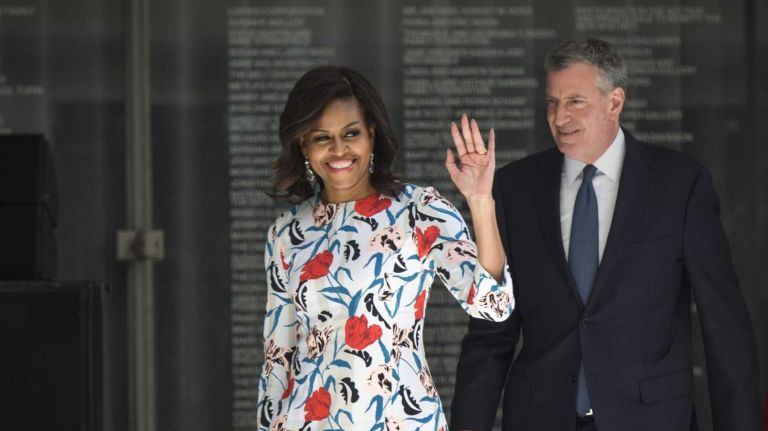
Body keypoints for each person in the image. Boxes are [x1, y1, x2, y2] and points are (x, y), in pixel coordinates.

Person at [451, 37, 761, 431]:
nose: (559, 117)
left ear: (615, 102)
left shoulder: (679, 186)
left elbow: (725, 330)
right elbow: (491, 337)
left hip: (651, 419)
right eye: (552, 102)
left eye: (575, 101)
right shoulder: (513, 189)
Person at [256, 65, 514, 431]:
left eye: (351, 133)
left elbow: (494, 306)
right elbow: (277, 356)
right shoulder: (286, 232)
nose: (339, 149)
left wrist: (480, 200)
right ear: (303, 145)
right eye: (321, 138)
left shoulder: (418, 211)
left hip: (400, 420)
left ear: (372, 134)